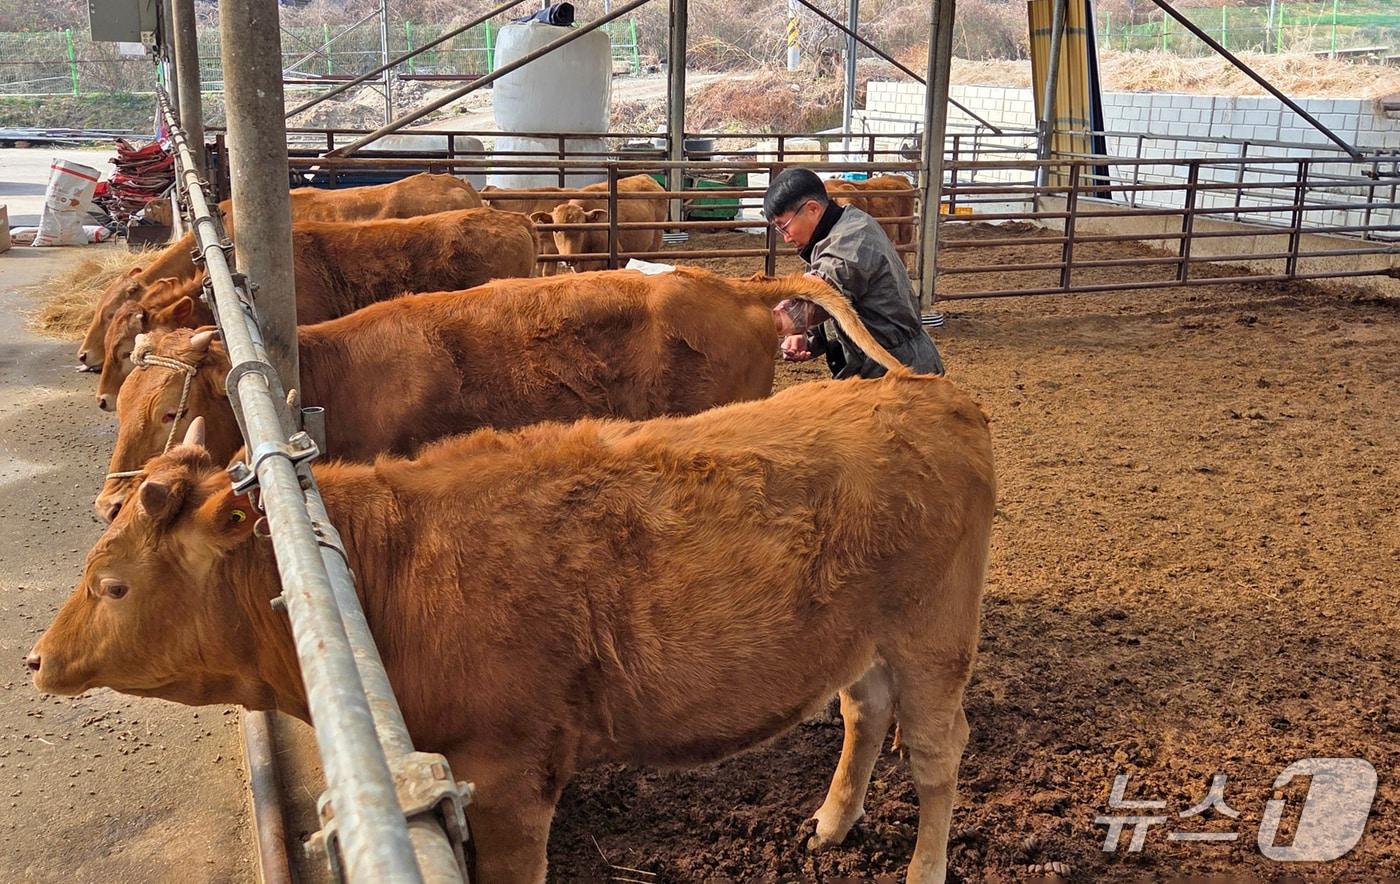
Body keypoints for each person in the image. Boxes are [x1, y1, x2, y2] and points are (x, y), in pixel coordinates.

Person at [764, 167, 944, 378]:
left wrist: (745, 320)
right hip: (876, 364)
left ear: (812, 209)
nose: (785, 238)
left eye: (784, 227)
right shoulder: (835, 231)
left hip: (898, 372)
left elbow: (819, 300)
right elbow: (843, 303)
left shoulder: (850, 241)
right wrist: (807, 335)